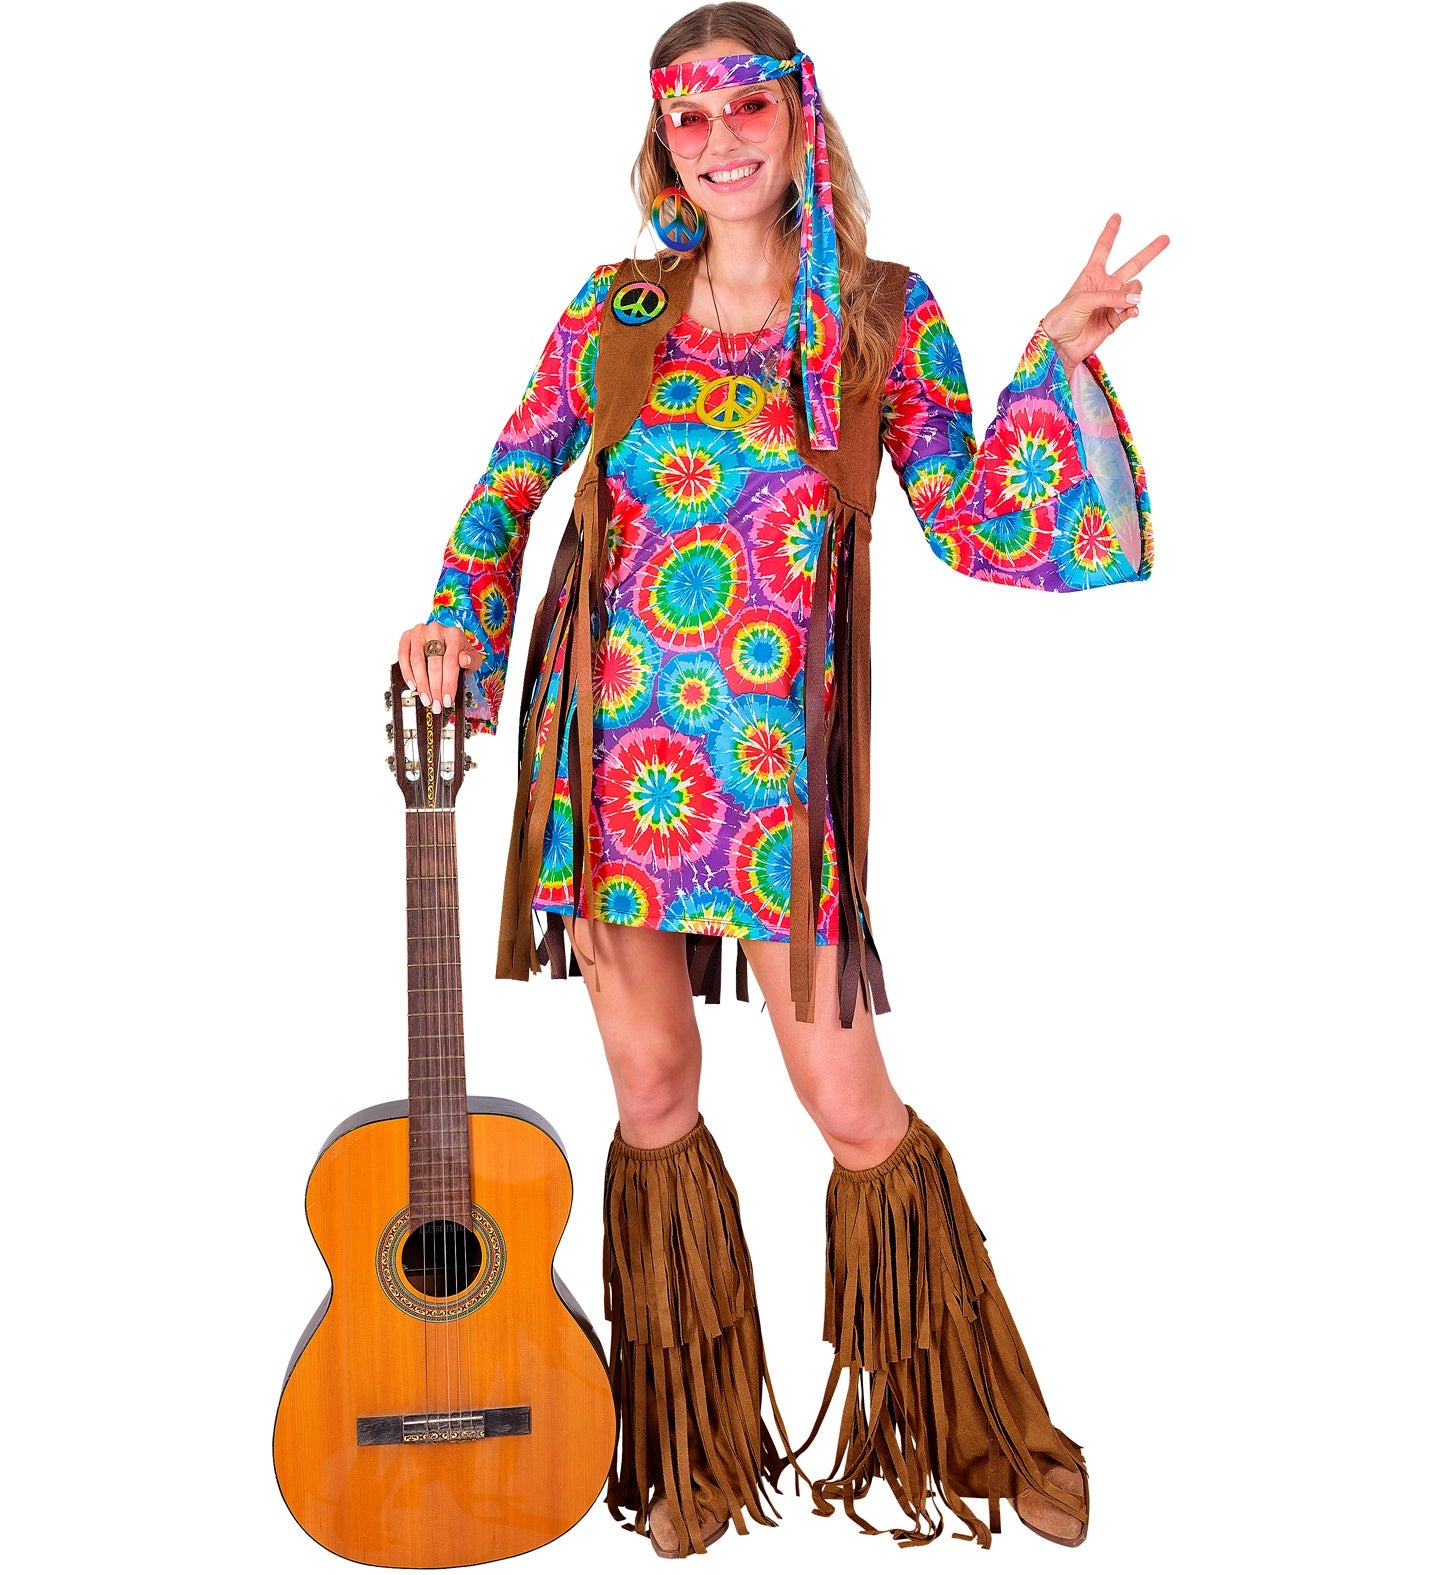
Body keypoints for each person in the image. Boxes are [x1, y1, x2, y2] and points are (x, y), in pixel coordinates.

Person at [398, 2, 1167, 1558]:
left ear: (797, 120)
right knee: (655, 1093)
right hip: (610, 766)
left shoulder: (875, 313)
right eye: (689, 120)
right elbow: (510, 481)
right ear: (661, 148)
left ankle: (980, 1425)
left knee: (850, 1104)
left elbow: (971, 515)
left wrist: (1055, 361)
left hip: (771, 787)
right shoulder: (611, 313)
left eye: (744, 109)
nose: (720, 142)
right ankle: (688, 1448)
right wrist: (450, 617)